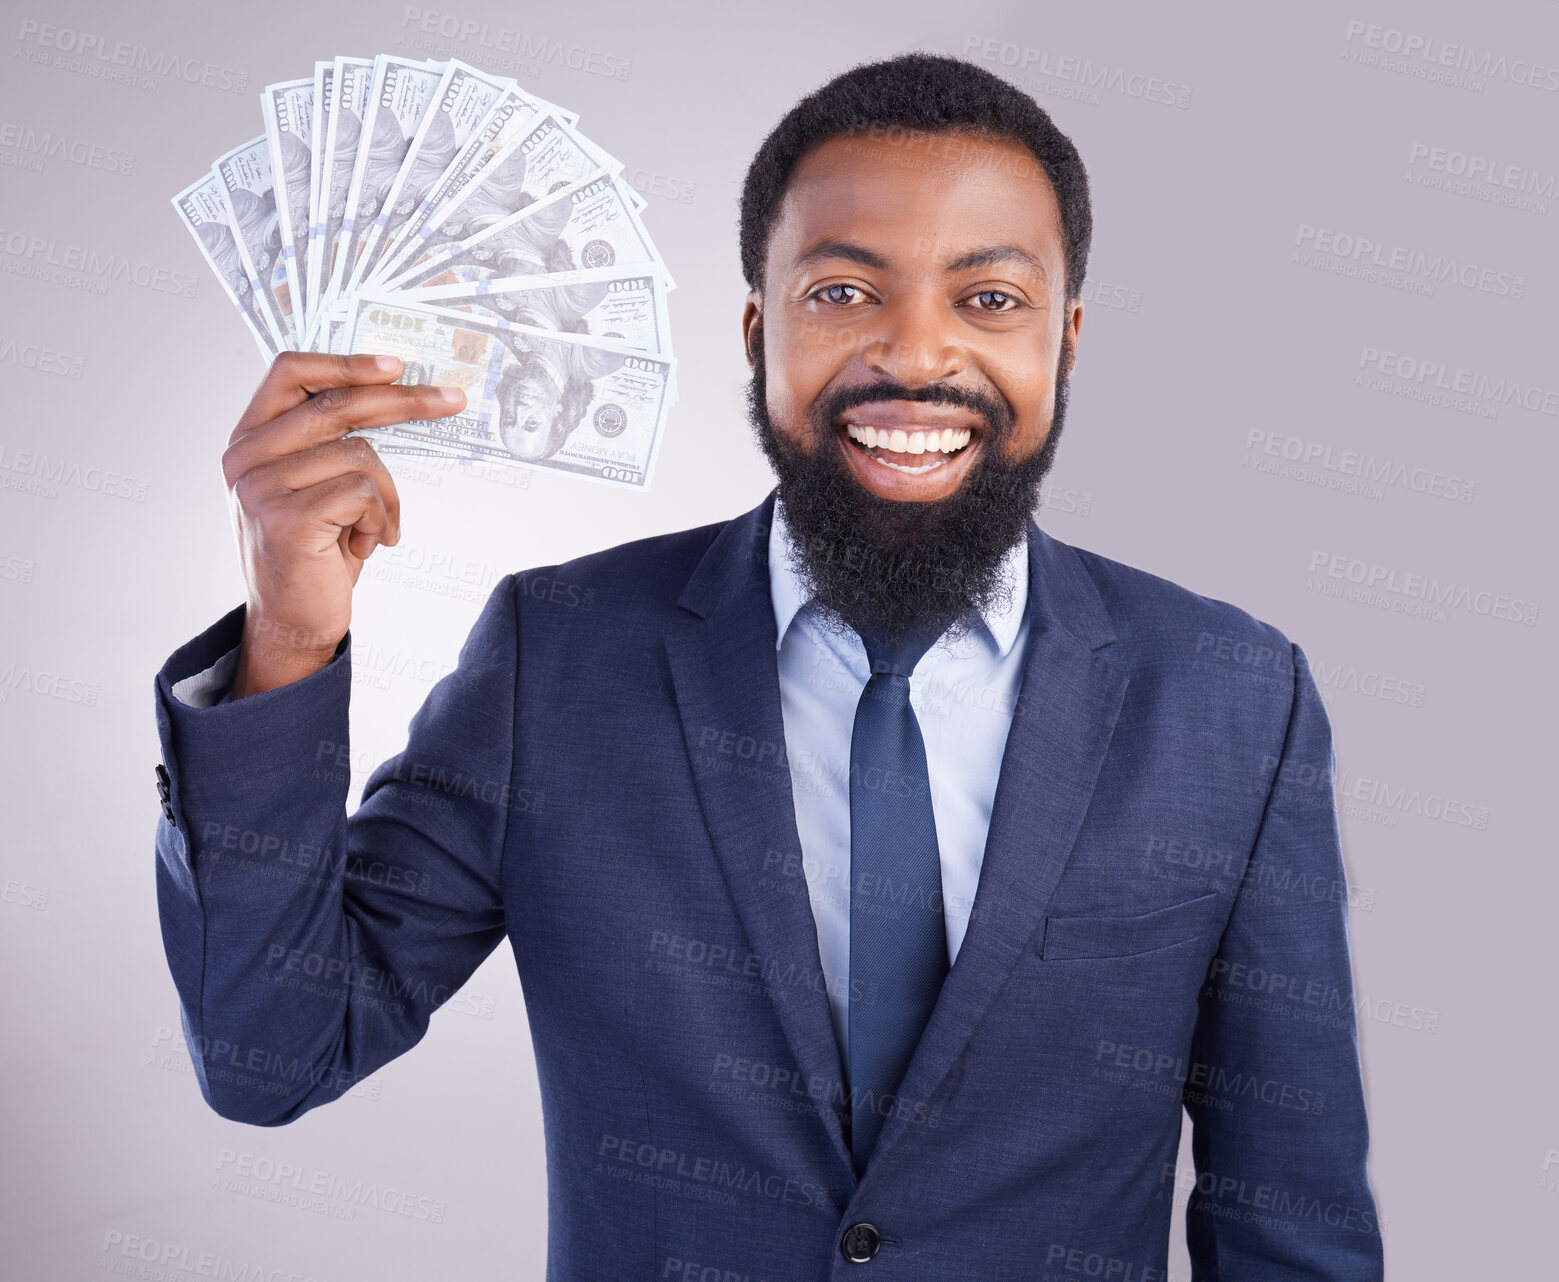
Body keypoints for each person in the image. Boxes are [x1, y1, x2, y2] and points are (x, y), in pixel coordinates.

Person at [152, 52, 1384, 1279]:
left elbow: (1289, 1213)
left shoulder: (1234, 697)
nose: (915, 356)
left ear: (1065, 337)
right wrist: (289, 642)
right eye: (843, 293)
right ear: (758, 330)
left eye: (989, 301)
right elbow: (274, 1052)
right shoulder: (557, 656)